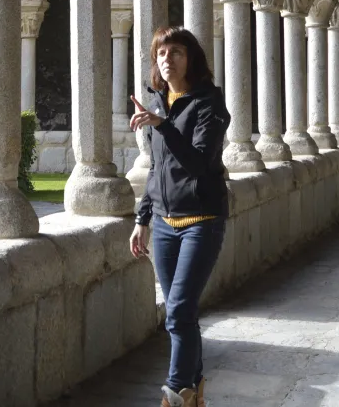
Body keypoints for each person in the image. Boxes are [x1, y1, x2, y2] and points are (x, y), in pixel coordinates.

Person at [129, 26, 229, 407]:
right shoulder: (158, 102)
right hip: (166, 226)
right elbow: (157, 169)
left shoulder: (209, 104)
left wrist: (164, 127)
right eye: (161, 53)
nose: (167, 59)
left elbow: (200, 164)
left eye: (176, 52)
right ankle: (195, 390)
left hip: (202, 220)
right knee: (180, 314)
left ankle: (174, 393)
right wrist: (142, 220)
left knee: (179, 312)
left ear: (192, 59)